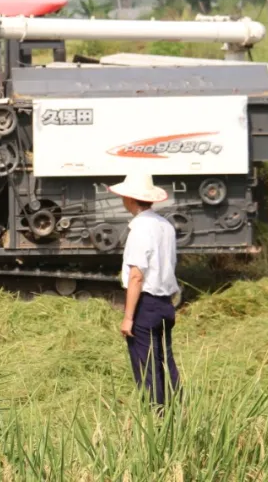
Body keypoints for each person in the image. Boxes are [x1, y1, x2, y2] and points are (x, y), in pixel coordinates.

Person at [109, 173, 181, 409]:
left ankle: (156, 420)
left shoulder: (139, 229)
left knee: (146, 367)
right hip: (166, 304)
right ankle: (177, 412)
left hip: (146, 306)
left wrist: (128, 317)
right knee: (164, 362)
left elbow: (137, 275)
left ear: (130, 199)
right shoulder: (166, 226)